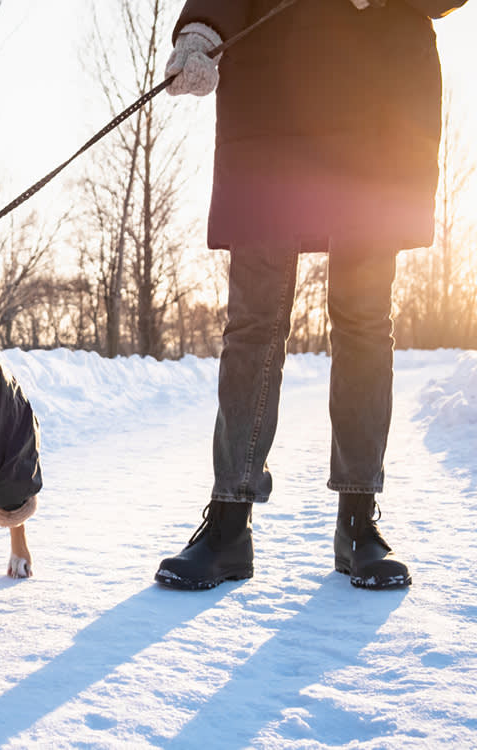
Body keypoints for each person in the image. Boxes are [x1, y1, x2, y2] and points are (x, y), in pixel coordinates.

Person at [154, 0, 467, 591]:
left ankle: (358, 523)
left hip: (377, 107)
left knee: (364, 320)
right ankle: (229, 523)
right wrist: (199, 33)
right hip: (271, 101)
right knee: (253, 322)